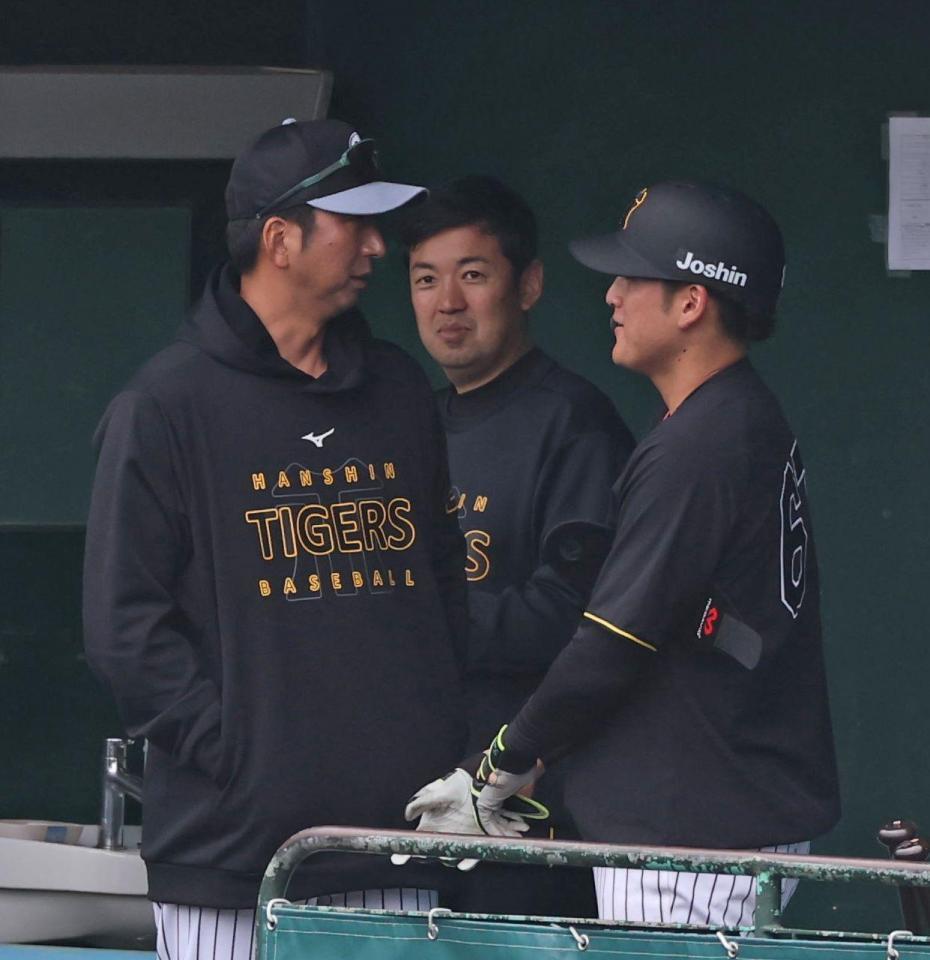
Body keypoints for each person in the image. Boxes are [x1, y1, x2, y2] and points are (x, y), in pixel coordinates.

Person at [83, 118, 486, 960]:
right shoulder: (165, 407)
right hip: (231, 860)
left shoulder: (400, 390)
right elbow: (125, 629)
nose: (378, 248)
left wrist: (431, 728)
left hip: (391, 843)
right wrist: (240, 754)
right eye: (357, 224)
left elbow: (442, 575)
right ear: (280, 239)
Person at [412, 180, 841, 926]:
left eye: (633, 277)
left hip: (695, 830)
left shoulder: (703, 441)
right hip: (718, 813)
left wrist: (504, 761)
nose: (611, 295)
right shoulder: (731, 419)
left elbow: (613, 637)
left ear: (691, 303)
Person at [399, 176, 633, 917]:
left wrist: (407, 624)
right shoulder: (407, 424)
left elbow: (576, 619)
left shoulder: (574, 424)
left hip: (522, 812)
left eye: (473, 275)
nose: (448, 303)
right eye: (426, 279)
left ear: (527, 285)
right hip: (409, 806)